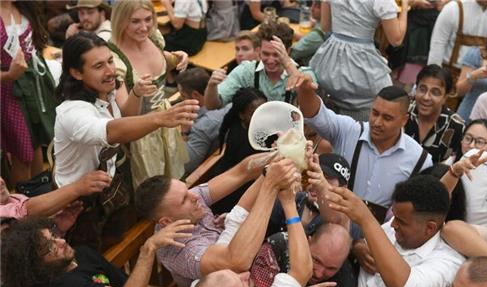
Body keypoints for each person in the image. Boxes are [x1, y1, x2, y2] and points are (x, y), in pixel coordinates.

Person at [53, 32, 198, 188]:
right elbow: (111, 132)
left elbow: (125, 116)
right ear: (76, 73)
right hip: (76, 202)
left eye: (110, 61)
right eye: (99, 66)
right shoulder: (72, 111)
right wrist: (160, 118)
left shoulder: (109, 90)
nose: (110, 71)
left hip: (108, 187)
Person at [134, 156, 299, 287]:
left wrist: (280, 155)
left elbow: (241, 171)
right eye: (185, 199)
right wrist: (269, 183)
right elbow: (235, 261)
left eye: (187, 189)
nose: (195, 196)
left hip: (247, 264)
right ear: (166, 221)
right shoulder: (179, 251)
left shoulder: (190, 199)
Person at [293, 73, 432, 223]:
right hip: (333, 225)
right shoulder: (349, 130)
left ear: (404, 120)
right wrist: (305, 91)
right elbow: (316, 115)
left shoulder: (420, 159)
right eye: (375, 113)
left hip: (381, 237)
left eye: (387, 118)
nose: (377, 122)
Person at [326, 175, 465, 287]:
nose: (392, 224)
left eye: (401, 221)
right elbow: (366, 244)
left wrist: (366, 220)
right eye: (394, 216)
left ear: (430, 228)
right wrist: (357, 246)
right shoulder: (400, 222)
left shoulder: (449, 261)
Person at [1, 217, 193, 287]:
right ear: (36, 265)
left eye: (53, 235)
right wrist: (148, 249)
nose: (60, 241)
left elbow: (130, 286)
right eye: (50, 247)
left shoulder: (81, 254)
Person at [109, 0, 193, 188]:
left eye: (148, 19)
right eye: (135, 21)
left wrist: (178, 58)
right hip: (140, 133)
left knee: (174, 182)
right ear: (121, 20)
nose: (144, 27)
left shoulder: (154, 38)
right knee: (152, 191)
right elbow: (126, 115)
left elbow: (162, 63)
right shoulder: (114, 58)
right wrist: (137, 93)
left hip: (166, 123)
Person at [188, 181, 312, 287]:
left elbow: (236, 221)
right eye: (243, 282)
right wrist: (289, 204)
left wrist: (268, 177)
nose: (246, 274)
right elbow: (301, 271)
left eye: (235, 274)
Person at [309, 0, 410, 121]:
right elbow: (396, 39)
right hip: (362, 65)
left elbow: (325, 26)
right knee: (385, 99)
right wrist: (405, 6)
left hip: (331, 59)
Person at [1, 0, 57, 186]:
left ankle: (40, 201)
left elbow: (37, 46)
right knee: (21, 153)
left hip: (35, 86)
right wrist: (9, 75)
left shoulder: (24, 6)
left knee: (37, 145)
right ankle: (24, 209)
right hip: (8, 92)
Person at [204, 22, 317, 110]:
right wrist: (211, 86)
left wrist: (288, 64)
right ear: (258, 51)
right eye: (266, 54)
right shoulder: (246, 71)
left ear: (288, 51)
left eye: (277, 54)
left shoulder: (305, 73)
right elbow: (213, 105)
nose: (271, 60)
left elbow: (312, 104)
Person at [251, 223, 358, 287]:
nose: (319, 274)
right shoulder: (277, 249)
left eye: (331, 268)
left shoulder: (348, 279)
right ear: (307, 241)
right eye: (316, 260)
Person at [0, 172, 110, 234]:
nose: (1, 182)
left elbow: (33, 241)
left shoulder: (13, 198)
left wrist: (57, 228)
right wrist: (77, 188)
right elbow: (24, 212)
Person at [405, 64, 466, 163]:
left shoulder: (456, 126)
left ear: (445, 97)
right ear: (415, 89)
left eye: (435, 92)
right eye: (422, 89)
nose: (426, 97)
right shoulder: (403, 112)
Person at [428, 0, 487, 69]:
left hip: (486, 76)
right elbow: (438, 44)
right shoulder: (453, 8)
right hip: (452, 72)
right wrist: (435, 75)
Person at [290, 0, 324, 66]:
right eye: (312, 4)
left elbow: (292, 53)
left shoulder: (317, 34)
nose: (312, 9)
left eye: (317, 6)